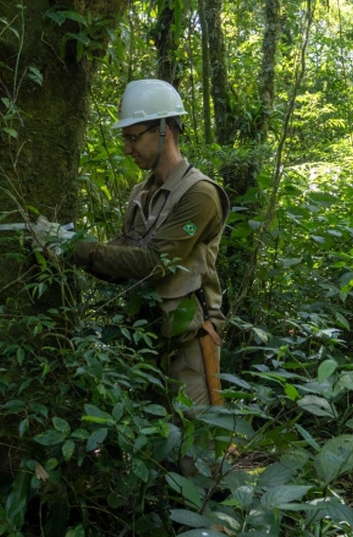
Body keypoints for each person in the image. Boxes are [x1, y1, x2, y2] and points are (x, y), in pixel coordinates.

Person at [34, 79, 229, 408]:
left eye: (133, 137)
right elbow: (120, 261)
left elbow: (152, 263)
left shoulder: (200, 194)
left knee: (195, 451)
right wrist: (64, 246)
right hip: (143, 340)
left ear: (164, 130)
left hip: (189, 344)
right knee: (154, 448)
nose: (127, 149)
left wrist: (75, 247)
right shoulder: (142, 193)